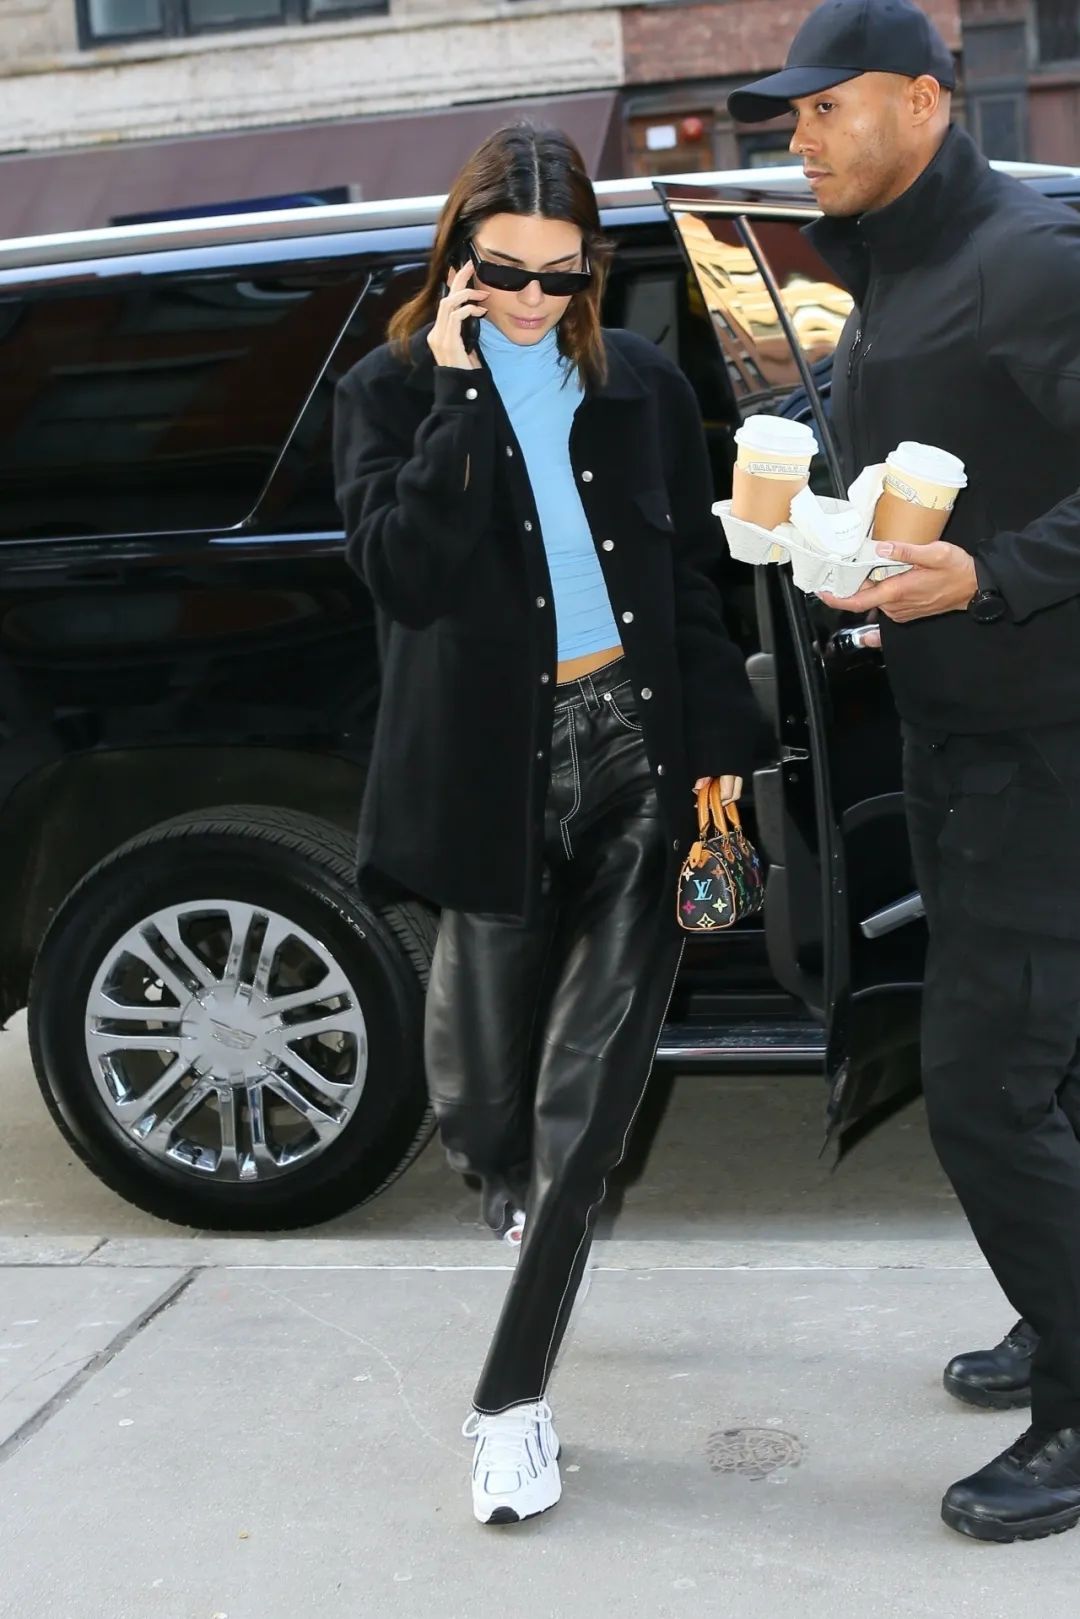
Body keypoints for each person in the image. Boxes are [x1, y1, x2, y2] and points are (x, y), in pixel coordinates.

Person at [333, 123, 761, 1525]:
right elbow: (403, 573)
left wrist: (718, 757)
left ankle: (510, 1402)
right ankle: (517, 1195)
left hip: (636, 752)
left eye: (558, 273)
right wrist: (462, 397)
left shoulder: (638, 381)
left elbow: (686, 582)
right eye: (502, 271)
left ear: (593, 266)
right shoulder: (389, 392)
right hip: (489, 773)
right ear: (456, 257)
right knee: (479, 1106)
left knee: (588, 1107)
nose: (530, 298)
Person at [731, 0, 1080, 1546]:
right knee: (1051, 1073)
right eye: (792, 114)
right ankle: (1060, 1308)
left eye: (826, 106)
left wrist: (990, 578)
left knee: (988, 1096)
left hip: (1047, 745)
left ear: (929, 102)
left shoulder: (1031, 259)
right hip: (953, 734)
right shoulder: (891, 275)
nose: (797, 135)